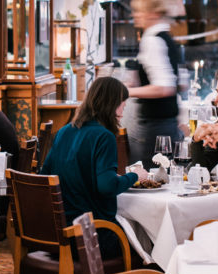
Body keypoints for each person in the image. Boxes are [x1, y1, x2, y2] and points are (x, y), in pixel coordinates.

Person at [41, 76, 147, 261]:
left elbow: (44, 177)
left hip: (60, 233)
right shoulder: (104, 136)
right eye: (122, 103)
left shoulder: (64, 131)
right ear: (111, 104)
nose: (123, 109)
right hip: (92, 235)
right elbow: (106, 186)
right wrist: (133, 176)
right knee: (144, 247)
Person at [126, 0, 182, 166]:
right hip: (167, 121)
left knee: (148, 178)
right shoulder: (168, 39)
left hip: (154, 124)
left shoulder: (152, 40)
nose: (135, 15)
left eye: (139, 11)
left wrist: (125, 91)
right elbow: (182, 83)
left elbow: (165, 87)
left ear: (154, 14)